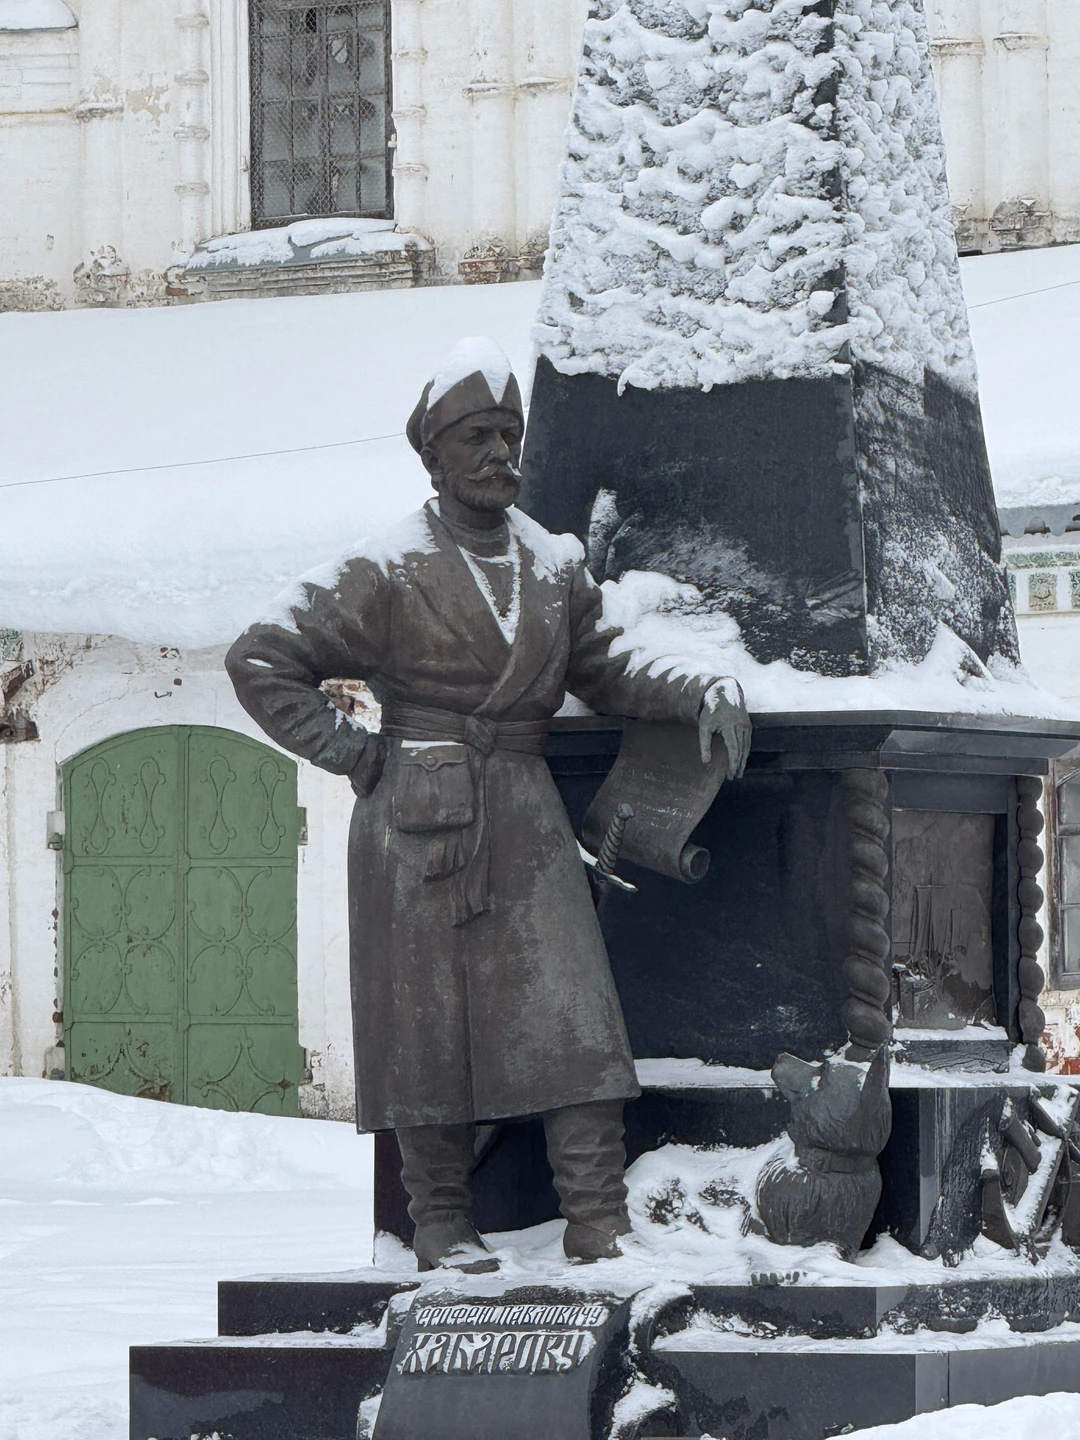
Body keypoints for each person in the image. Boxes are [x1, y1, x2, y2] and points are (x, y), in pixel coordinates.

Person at [226, 337, 751, 1272]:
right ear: (432, 454)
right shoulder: (384, 568)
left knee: (575, 1016)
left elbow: (606, 668)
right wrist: (356, 754)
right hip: (417, 820)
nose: (498, 452)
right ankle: (439, 1224)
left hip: (525, 807)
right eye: (475, 436)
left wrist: (694, 691)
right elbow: (263, 658)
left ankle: (597, 1221)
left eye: (508, 435)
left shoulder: (552, 565)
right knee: (423, 1029)